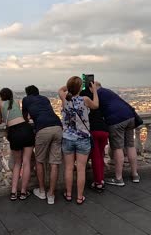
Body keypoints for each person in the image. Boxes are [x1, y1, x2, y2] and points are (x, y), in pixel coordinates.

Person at [58, 76, 98, 204]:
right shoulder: (85, 99)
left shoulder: (65, 99)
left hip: (68, 138)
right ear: (80, 88)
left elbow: (60, 89)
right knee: (81, 169)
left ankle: (69, 194)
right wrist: (94, 89)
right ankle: (80, 197)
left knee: (69, 168)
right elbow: (96, 105)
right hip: (83, 138)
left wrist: (69, 86)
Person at [22, 85, 62, 205]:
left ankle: (42, 191)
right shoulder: (45, 98)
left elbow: (25, 117)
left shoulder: (26, 99)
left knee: (40, 161)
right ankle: (51, 194)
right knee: (54, 163)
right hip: (58, 127)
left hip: (43, 129)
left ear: (27, 93)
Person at [96, 83, 139, 186]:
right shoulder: (108, 91)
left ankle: (118, 178)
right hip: (130, 117)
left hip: (116, 120)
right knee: (130, 145)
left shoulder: (96, 93)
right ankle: (135, 174)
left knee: (117, 148)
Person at [0, 88, 35, 201]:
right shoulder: (17, 101)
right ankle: (23, 192)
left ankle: (13, 192)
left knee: (18, 163)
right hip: (26, 129)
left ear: (1, 95)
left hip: (14, 133)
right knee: (26, 162)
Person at [80, 83, 109, 192]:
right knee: (100, 156)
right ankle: (101, 179)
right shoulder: (97, 102)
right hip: (104, 131)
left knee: (96, 157)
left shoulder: (84, 103)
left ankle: (98, 183)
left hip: (94, 131)